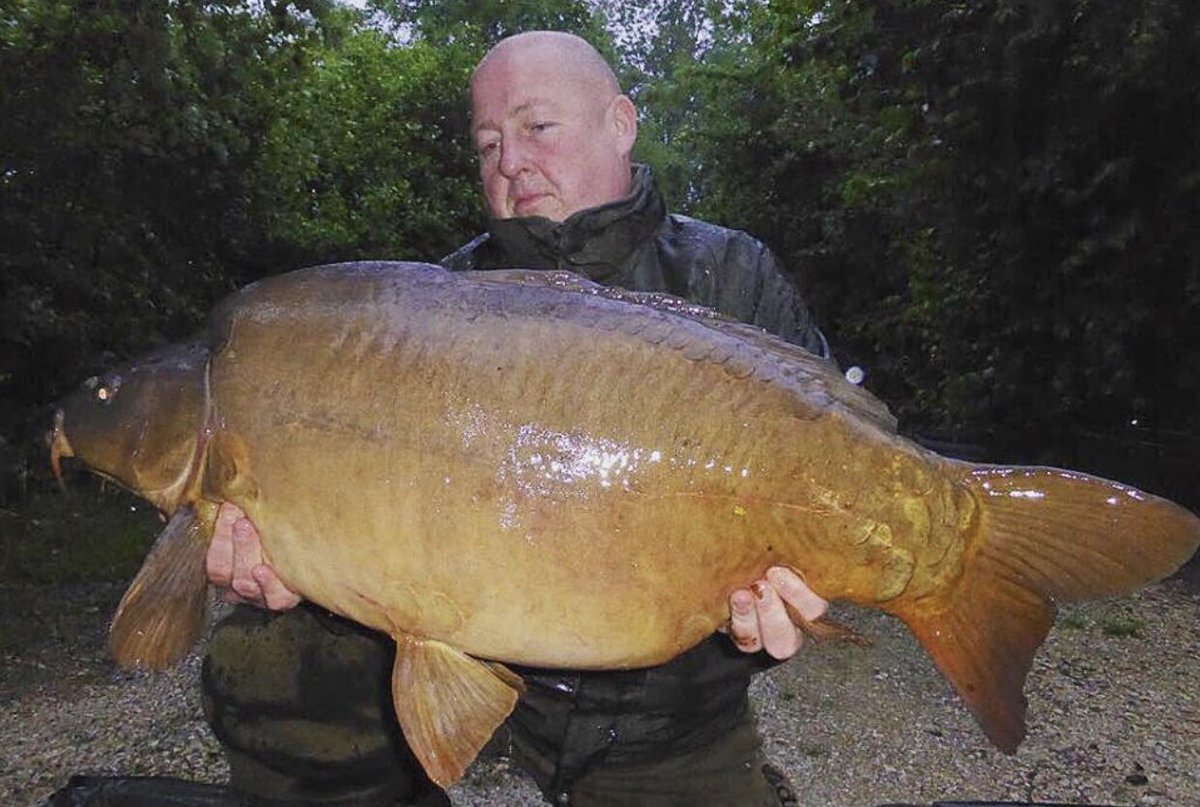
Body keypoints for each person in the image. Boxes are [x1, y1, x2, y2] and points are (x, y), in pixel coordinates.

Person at [203, 31, 831, 807]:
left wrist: (774, 620)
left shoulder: (731, 277)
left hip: (666, 722)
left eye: (537, 128)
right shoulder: (443, 300)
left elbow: (831, 487)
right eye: (489, 142)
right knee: (265, 658)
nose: (509, 162)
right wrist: (293, 557)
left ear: (620, 123)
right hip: (483, 665)